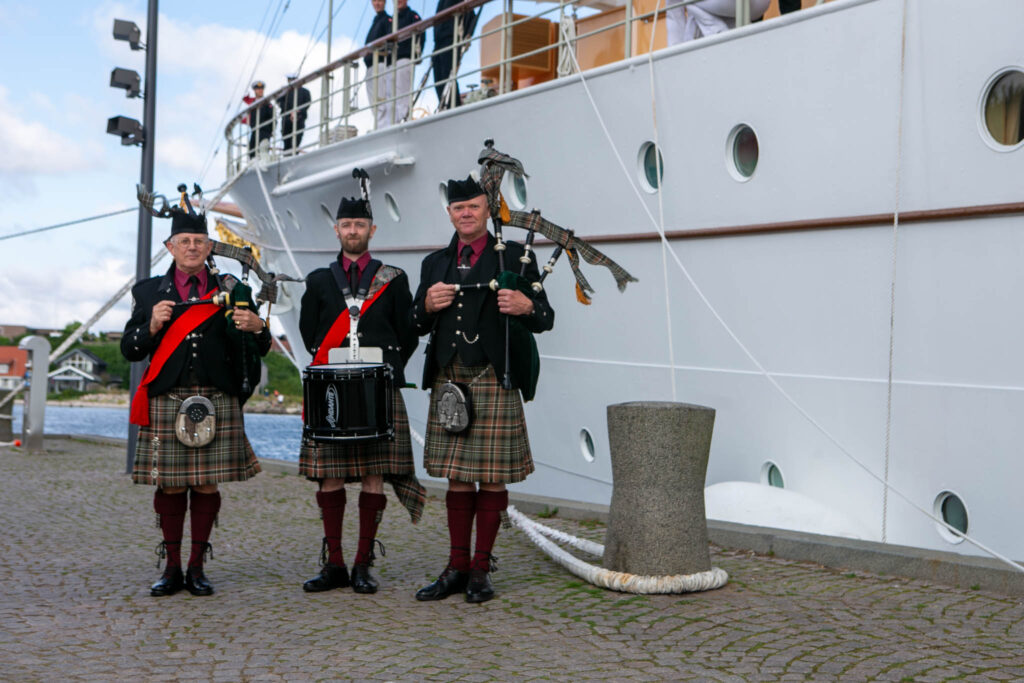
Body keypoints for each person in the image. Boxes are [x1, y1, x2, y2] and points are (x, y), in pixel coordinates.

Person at [411, 176, 554, 603]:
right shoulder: (435, 263)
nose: (466, 213)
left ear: (487, 210)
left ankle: (480, 569)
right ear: (450, 213)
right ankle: (456, 566)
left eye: (474, 206)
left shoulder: (515, 256)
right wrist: (425, 306)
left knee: (491, 478)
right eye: (459, 208)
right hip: (450, 378)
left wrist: (527, 306)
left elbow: (545, 317)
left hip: (494, 376)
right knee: (457, 477)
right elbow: (414, 322)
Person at [122, 197, 272, 597]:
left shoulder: (234, 289)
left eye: (199, 240)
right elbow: (130, 349)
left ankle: (196, 567)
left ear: (209, 248)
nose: (192, 247)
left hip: (216, 396)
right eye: (184, 240)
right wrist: (151, 325)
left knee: (205, 485)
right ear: (170, 247)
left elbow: (261, 346)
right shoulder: (149, 291)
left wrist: (258, 326)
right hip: (168, 396)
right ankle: (171, 568)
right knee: (170, 487)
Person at [297, 178, 426, 594]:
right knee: (330, 478)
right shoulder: (318, 281)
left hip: (378, 388)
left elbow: (407, 334)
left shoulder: (394, 278)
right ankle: (333, 563)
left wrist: (385, 371)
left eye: (360, 225)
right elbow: (308, 334)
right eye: (346, 225)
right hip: (331, 391)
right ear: (336, 230)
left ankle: (362, 564)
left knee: (374, 474)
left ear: (372, 231)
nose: (353, 231)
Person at [431, 0, 476, 110]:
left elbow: (471, 15)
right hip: (438, 42)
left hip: (452, 40)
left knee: (448, 76)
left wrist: (466, 36)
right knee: (438, 80)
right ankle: (444, 106)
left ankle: (453, 107)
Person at [364, 0, 394, 128]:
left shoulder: (387, 20)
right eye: (375, 1)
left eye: (380, 1)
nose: (377, 4)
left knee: (381, 100)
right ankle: (379, 124)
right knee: (375, 102)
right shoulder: (376, 22)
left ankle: (382, 126)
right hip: (371, 67)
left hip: (381, 64)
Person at [277, 74, 311, 154]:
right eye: (290, 80)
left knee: (296, 140)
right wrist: (290, 112)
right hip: (287, 120)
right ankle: (287, 155)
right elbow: (279, 102)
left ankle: (293, 154)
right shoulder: (285, 92)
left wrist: (298, 111)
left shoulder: (305, 92)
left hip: (299, 118)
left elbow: (307, 103)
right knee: (287, 141)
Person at [246, 80, 275, 158]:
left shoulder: (267, 104)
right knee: (251, 153)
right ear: (255, 90)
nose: (260, 90)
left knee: (263, 153)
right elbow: (252, 119)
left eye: (261, 89)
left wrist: (270, 131)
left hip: (265, 132)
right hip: (255, 132)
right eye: (258, 89)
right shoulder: (253, 105)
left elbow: (274, 119)